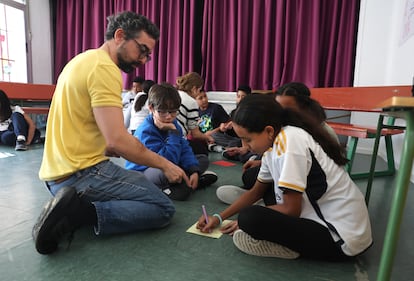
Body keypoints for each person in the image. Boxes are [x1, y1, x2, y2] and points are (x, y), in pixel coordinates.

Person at [33, 11, 190, 255]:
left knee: (135, 186)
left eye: (149, 54)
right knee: (163, 208)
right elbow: (116, 141)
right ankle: (78, 214)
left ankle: (70, 206)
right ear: (120, 36)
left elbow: (98, 136)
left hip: (55, 176)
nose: (145, 60)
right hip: (81, 175)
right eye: (142, 50)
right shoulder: (105, 68)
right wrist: (165, 166)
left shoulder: (81, 60)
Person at [197, 94, 372, 261]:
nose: (246, 146)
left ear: (268, 131)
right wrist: (218, 217)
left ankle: (286, 247)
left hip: (342, 238)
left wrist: (242, 221)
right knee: (261, 194)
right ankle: (267, 224)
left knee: (249, 218)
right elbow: (256, 191)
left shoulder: (290, 143)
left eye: (248, 140)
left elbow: (291, 210)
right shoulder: (274, 145)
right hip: (322, 217)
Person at [216, 82, 339, 205]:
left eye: (286, 110)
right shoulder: (285, 130)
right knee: (250, 175)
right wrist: (262, 161)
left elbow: (312, 167)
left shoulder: (308, 134)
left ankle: (264, 202)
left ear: (304, 108)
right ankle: (257, 198)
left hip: (311, 186)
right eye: (277, 107)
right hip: (293, 175)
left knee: (269, 186)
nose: (279, 113)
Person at [126, 83, 217, 200]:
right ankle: (182, 184)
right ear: (151, 108)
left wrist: (193, 170)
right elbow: (166, 162)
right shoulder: (146, 131)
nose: (169, 117)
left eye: (173, 111)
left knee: (202, 160)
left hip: (169, 163)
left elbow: (184, 148)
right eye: (162, 111)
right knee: (164, 174)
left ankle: (185, 181)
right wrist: (173, 133)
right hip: (145, 172)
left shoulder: (173, 124)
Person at [175, 72, 218, 184]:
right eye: (199, 90)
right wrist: (207, 137)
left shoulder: (174, 94)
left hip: (164, 143)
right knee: (202, 155)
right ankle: (189, 176)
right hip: (177, 143)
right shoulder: (191, 102)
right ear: (194, 89)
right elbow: (195, 134)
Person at [221, 85, 256, 163]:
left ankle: (252, 157)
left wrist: (245, 148)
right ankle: (248, 156)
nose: (240, 99)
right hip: (239, 140)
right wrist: (225, 127)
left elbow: (248, 134)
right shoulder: (234, 112)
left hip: (252, 141)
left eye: (243, 97)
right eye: (238, 96)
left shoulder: (251, 112)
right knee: (231, 146)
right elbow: (232, 133)